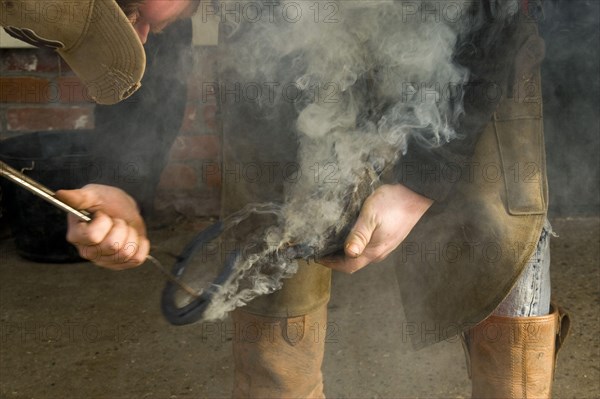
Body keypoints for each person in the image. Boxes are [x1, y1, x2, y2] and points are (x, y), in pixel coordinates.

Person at [1, 1, 570, 398]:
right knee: (272, 305)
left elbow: (494, 18)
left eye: (129, 16)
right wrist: (124, 178)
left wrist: (421, 181)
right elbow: (149, 48)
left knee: (495, 249)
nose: (140, 34)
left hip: (475, 51)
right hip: (283, 66)